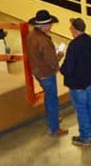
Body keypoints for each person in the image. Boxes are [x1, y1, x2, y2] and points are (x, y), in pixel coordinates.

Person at [59, 17, 91, 147]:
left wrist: (60, 68)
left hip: (78, 84)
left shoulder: (74, 46)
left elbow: (68, 68)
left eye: (70, 28)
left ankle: (85, 137)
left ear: (74, 30)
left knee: (81, 109)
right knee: (90, 105)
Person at [25, 9, 68, 138]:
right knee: (52, 100)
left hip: (37, 71)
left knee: (48, 97)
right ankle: (54, 128)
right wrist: (60, 54)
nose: (51, 26)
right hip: (46, 73)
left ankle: (52, 118)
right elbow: (52, 61)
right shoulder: (43, 41)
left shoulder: (31, 35)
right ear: (44, 26)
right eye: (50, 24)